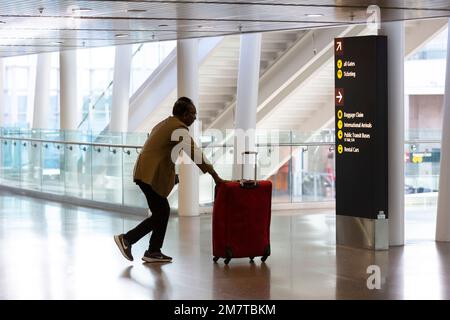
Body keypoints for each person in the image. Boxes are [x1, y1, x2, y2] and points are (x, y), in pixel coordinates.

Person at [114, 97, 225, 263]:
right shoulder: (178, 128)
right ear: (184, 114)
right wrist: (215, 175)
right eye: (193, 114)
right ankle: (128, 239)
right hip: (148, 175)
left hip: (145, 173)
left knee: (162, 211)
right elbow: (195, 153)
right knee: (162, 212)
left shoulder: (166, 123)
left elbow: (162, 153)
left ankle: (153, 251)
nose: (195, 118)